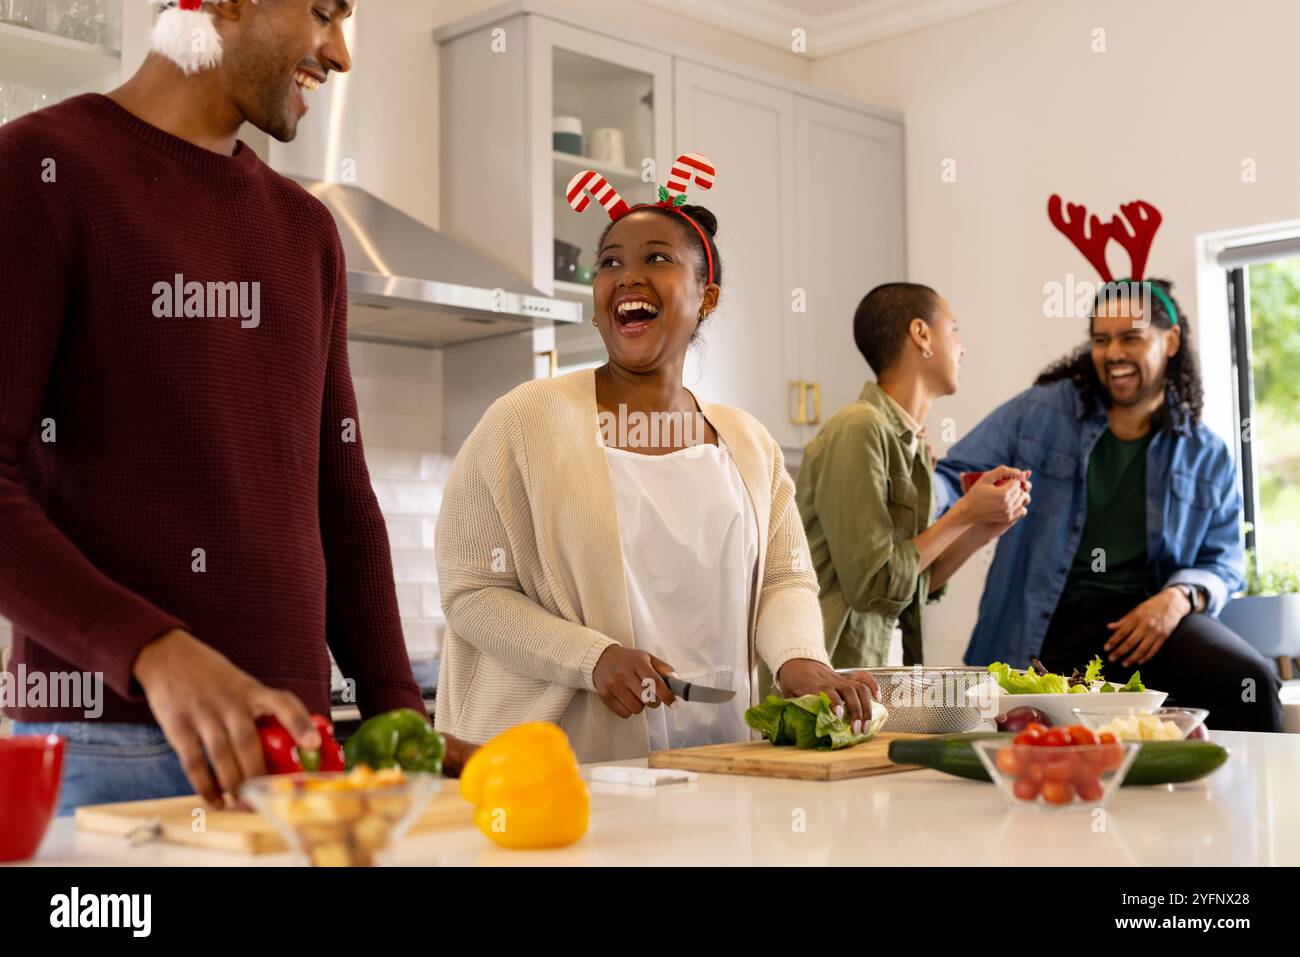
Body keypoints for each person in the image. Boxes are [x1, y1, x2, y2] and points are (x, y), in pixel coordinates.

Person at [0, 0, 472, 814]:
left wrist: (402, 719)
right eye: (323, 12)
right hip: (108, 747)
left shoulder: (306, 230)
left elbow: (343, 501)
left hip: (298, 750)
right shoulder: (38, 167)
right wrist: (153, 650)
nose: (341, 53)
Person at [435, 161, 881, 761]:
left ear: (707, 297)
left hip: (723, 760)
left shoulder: (749, 444)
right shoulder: (521, 422)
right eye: (610, 263)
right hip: (567, 769)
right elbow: (473, 593)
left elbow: (784, 578)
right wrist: (592, 661)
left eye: (657, 259)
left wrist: (800, 659)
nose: (627, 277)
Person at [935, 279, 1284, 731]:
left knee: (1249, 679)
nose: (1113, 352)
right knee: (1024, 726)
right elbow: (952, 475)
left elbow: (1224, 562)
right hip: (1046, 624)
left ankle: (1240, 802)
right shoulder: (1041, 412)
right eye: (1101, 340)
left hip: (1148, 622)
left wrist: (1177, 599)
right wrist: (918, 494)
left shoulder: (1206, 452)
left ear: (1171, 340)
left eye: (1131, 337)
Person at [797, 283, 1031, 668]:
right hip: (829, 683)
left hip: (880, 676)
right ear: (921, 334)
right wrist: (965, 513)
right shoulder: (858, 428)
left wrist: (983, 528)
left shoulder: (915, 447)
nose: (962, 347)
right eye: (953, 329)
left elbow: (910, 585)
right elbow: (873, 585)